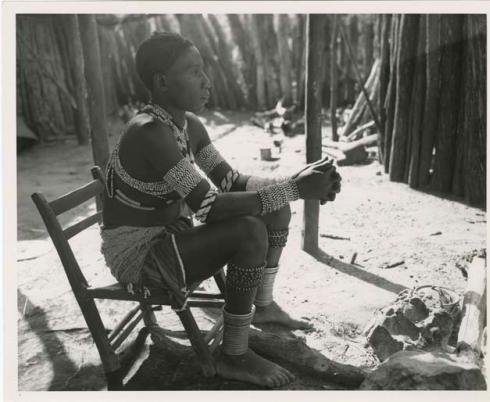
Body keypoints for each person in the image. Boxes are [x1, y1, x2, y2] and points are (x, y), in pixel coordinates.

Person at [100, 32, 341, 388]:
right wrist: (294, 189)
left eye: (203, 70)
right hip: (141, 256)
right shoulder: (150, 132)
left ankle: (264, 304)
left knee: (274, 211)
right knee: (248, 231)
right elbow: (209, 207)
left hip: (172, 236)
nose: (206, 81)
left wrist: (295, 181)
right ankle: (234, 354)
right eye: (193, 71)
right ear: (162, 82)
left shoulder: (188, 126)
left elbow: (231, 181)